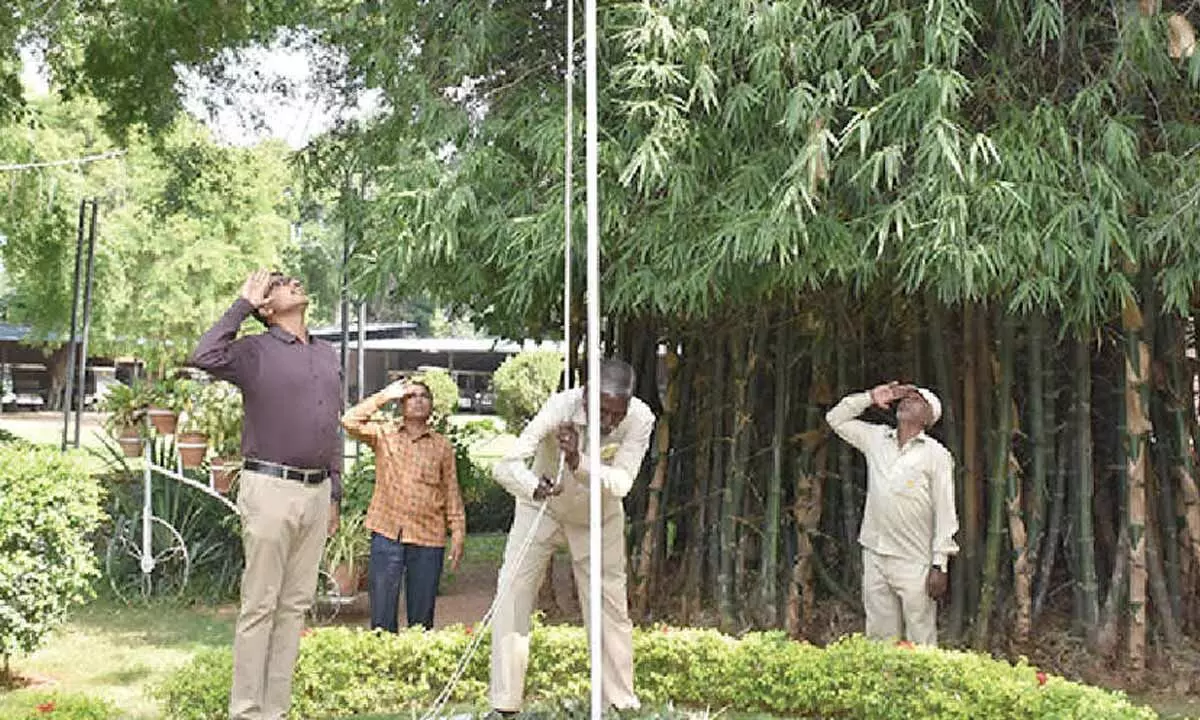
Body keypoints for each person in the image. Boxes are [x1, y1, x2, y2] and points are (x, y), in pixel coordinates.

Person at [189, 269, 342, 720]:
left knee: (294, 607)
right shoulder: (253, 351)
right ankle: (246, 712)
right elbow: (203, 355)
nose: (293, 281)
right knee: (260, 605)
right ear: (267, 308)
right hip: (270, 488)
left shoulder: (327, 353)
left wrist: (335, 493)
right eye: (278, 283)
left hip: (316, 493)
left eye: (292, 277)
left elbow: (332, 426)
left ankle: (275, 711)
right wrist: (242, 303)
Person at [489, 358, 656, 716]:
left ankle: (619, 703)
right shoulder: (560, 407)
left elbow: (622, 483)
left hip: (599, 516)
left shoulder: (641, 419)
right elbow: (505, 464)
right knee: (512, 594)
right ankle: (504, 704)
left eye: (617, 413)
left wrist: (578, 461)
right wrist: (534, 487)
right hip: (543, 509)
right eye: (603, 411)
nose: (610, 422)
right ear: (586, 396)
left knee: (610, 606)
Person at [825, 381, 959, 646]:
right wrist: (870, 397)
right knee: (879, 635)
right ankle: (885, 685)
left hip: (914, 560)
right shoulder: (877, 439)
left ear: (929, 417)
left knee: (920, 635)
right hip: (875, 552)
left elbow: (946, 512)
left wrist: (939, 565)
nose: (907, 401)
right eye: (906, 397)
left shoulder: (937, 455)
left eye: (917, 400)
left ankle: (923, 686)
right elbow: (835, 419)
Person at [341, 378, 466, 631]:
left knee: (422, 620)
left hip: (428, 536)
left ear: (431, 405)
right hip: (388, 533)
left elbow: (451, 489)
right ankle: (384, 668)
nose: (418, 400)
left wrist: (458, 530)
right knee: (382, 617)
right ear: (401, 404)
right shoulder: (384, 434)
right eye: (411, 396)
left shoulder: (441, 446)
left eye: (423, 396)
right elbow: (349, 421)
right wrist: (385, 395)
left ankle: (416, 666)